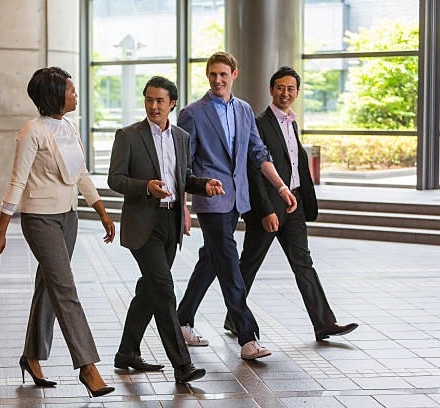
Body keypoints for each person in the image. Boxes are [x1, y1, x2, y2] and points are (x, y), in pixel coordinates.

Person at [0, 67, 115, 397]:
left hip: (68, 217)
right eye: (70, 91)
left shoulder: (69, 127)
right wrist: (1, 229)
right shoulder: (33, 131)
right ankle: (87, 367)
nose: (75, 95)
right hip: (39, 219)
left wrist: (101, 211)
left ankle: (31, 356)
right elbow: (17, 180)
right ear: (55, 95)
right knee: (64, 287)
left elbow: (81, 173)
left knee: (48, 287)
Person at [175, 52, 297, 360]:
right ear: (207, 75)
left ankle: (181, 320)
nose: (218, 80)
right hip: (211, 199)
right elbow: (184, 167)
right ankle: (247, 336)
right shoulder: (193, 113)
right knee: (229, 263)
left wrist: (281, 186)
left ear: (234, 74)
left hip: (237, 199)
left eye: (223, 74)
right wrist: (184, 208)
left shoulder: (244, 110)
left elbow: (258, 152)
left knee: (213, 260)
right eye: (213, 74)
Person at [223, 66, 358, 341]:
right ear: (271, 90)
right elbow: (253, 169)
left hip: (293, 204)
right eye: (280, 88)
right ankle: (234, 317)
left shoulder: (291, 122)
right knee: (249, 263)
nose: (286, 93)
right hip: (269, 208)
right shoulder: (259, 123)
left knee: (303, 263)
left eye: (291, 88)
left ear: (297, 92)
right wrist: (265, 210)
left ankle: (324, 323)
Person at [108, 76, 225, 383]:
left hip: (170, 223)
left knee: (149, 290)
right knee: (163, 290)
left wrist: (204, 185)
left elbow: (184, 177)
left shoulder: (182, 137)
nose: (153, 106)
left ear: (172, 103)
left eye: (160, 101)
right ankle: (182, 365)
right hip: (142, 225)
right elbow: (115, 179)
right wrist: (146, 187)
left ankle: (126, 353)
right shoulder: (128, 135)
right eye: (149, 100)